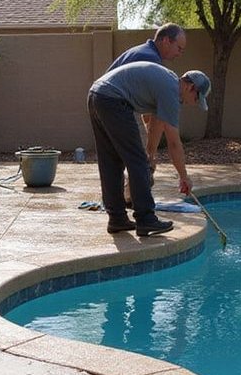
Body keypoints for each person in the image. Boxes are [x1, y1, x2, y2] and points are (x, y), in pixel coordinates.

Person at [87, 61, 210, 237]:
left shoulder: (166, 83)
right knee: (138, 163)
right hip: (113, 100)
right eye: (197, 98)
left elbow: (154, 122)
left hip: (97, 95)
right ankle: (146, 219)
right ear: (191, 87)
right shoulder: (171, 92)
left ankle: (117, 218)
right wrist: (184, 177)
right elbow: (174, 143)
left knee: (111, 161)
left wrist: (150, 152)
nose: (193, 103)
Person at [106, 23, 187, 206]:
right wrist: (151, 153)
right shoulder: (150, 59)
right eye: (179, 48)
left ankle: (126, 202)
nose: (180, 53)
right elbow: (163, 124)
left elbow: (149, 113)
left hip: (107, 104)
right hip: (115, 105)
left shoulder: (144, 53)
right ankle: (142, 210)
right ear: (166, 41)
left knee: (125, 159)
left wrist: (150, 148)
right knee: (141, 163)